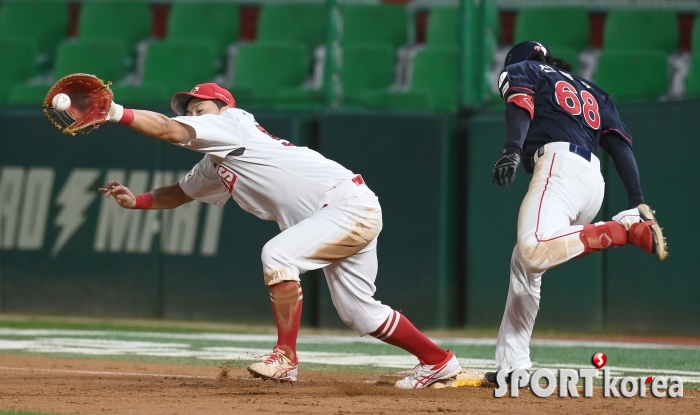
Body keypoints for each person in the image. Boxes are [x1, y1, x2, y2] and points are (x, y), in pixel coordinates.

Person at [97, 83, 461, 389]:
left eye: (200, 107)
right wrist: (137, 201)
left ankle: (285, 358)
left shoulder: (230, 123)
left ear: (223, 106)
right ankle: (437, 361)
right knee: (359, 313)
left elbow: (166, 128)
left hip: (344, 206)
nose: (192, 115)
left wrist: (115, 112)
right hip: (337, 214)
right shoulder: (213, 159)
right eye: (188, 111)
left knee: (278, 255)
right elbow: (180, 192)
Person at [485, 41, 668, 384]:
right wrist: (637, 198)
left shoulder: (525, 69)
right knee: (525, 265)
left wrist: (511, 148)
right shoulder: (593, 90)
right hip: (592, 182)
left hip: (558, 165)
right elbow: (619, 146)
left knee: (533, 248)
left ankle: (622, 228)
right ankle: (514, 366)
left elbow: (521, 102)